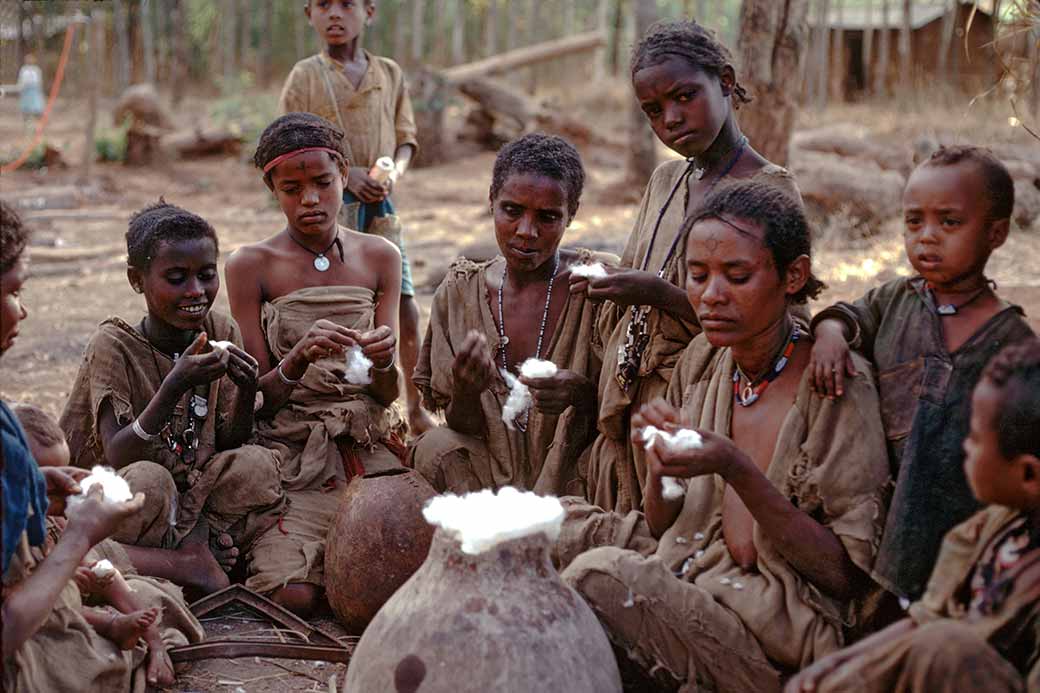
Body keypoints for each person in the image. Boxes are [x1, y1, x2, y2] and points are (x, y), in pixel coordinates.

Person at [554, 181, 890, 692]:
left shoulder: (836, 387)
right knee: (548, 527)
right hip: (695, 570)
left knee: (598, 575)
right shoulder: (707, 359)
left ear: (792, 276)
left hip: (776, 636)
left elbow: (844, 578)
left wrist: (737, 469)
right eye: (697, 275)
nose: (711, 296)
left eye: (737, 276)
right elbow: (665, 522)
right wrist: (662, 468)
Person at [575, 20, 802, 514]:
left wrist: (656, 293)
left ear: (724, 81)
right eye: (654, 111)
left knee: (685, 520)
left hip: (706, 396)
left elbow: (783, 320)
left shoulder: (768, 187)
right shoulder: (666, 179)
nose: (671, 119)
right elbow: (643, 264)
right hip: (636, 386)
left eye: (684, 96)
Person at [809, 145, 1035, 602]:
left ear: (997, 233)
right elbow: (849, 314)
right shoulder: (896, 300)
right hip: (884, 521)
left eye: (949, 223)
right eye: (914, 222)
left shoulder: (1014, 344)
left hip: (962, 537)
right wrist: (830, 333)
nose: (927, 237)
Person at [1, 199, 198, 692]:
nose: (22, 309)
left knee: (146, 600)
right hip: (16, 635)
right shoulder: (115, 343)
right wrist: (77, 538)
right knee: (133, 627)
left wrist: (34, 481)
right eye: (13, 292)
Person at [59, 200, 288, 596]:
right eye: (177, 278)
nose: (196, 292)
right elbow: (118, 453)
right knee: (152, 480)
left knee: (256, 464)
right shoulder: (114, 345)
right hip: (126, 493)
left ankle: (189, 550)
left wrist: (248, 387)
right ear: (137, 280)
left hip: (188, 496)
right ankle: (183, 561)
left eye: (206, 275)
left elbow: (230, 440)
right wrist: (173, 387)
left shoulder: (220, 328)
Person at [789, 338, 1040, 693]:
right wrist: (837, 665)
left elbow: (934, 642)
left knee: (945, 648)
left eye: (977, 439)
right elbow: (924, 618)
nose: (964, 446)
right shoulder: (992, 529)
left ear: (1029, 475)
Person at [227, 112, 403, 617]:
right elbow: (259, 398)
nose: (310, 200)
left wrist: (385, 363)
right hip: (294, 448)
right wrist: (298, 358)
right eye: (292, 188)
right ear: (272, 189)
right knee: (293, 595)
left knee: (396, 566)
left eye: (323, 183)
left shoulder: (380, 256)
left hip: (365, 441)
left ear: (344, 175)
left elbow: (387, 395)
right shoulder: (250, 265)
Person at [409, 133, 616, 496]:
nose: (526, 232)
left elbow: (623, 412)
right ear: (491, 201)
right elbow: (462, 424)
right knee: (434, 448)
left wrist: (583, 396)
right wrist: (466, 390)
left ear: (572, 214)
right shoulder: (460, 293)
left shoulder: (599, 287)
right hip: (488, 477)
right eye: (512, 210)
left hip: (575, 476)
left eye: (548, 217)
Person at [279, 0, 433, 435]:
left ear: (369, 12)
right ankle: (324, 399)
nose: (335, 15)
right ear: (307, 12)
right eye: (323, 5)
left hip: (381, 211)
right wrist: (347, 177)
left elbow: (406, 140)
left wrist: (391, 174)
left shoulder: (389, 73)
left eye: (347, 4)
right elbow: (285, 148)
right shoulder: (305, 76)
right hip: (326, 211)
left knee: (403, 303)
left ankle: (414, 404)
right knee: (329, 303)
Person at [14, 403, 202, 688]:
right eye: (39, 477)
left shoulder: (54, 521)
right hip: (34, 624)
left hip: (67, 605)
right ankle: (110, 628)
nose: (58, 486)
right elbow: (23, 611)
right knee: (64, 639)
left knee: (153, 595)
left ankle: (124, 630)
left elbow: (103, 573)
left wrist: (154, 640)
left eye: (58, 473)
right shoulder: (11, 530)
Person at [0, 53, 45, 127]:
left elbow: (39, 80)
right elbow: (21, 80)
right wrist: (20, 88)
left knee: (37, 106)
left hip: (34, 90)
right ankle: (26, 121)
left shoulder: (36, 69)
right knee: (26, 107)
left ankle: (39, 121)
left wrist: (39, 89)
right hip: (26, 90)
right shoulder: (24, 69)